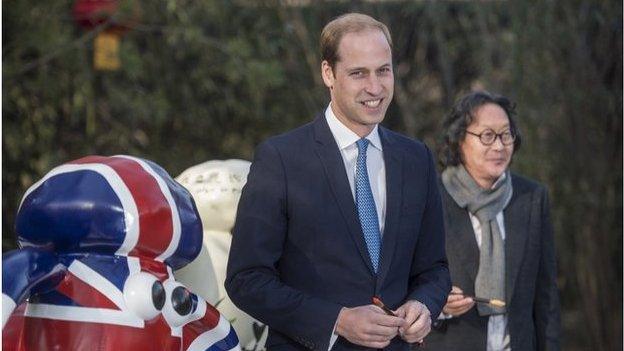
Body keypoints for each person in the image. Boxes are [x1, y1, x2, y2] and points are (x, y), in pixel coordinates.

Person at [225, 13, 451, 351]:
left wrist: (424, 305)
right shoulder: (281, 159)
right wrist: (336, 321)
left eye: (383, 70)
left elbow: (434, 270)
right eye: (359, 73)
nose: (375, 87)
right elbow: (246, 279)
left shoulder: (415, 158)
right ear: (328, 73)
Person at [425, 91, 560, 350]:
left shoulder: (531, 198)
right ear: (459, 139)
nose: (499, 146)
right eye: (487, 135)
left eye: (506, 135)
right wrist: (435, 303)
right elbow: (402, 287)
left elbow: (547, 298)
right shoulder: (430, 200)